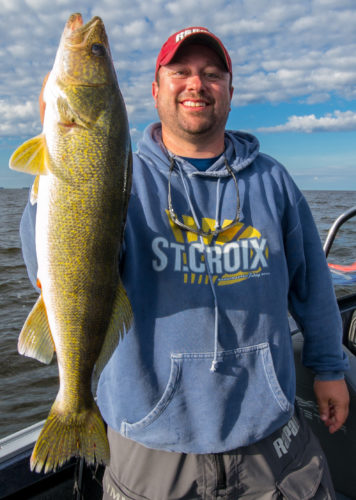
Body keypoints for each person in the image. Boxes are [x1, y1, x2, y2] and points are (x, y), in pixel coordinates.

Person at [20, 27, 350, 499]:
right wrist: (55, 158)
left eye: (212, 74)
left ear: (230, 93)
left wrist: (329, 368)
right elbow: (49, 270)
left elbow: (312, 285)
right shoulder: (122, 180)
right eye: (181, 72)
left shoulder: (272, 179)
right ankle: (75, 410)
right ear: (156, 90)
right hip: (149, 445)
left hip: (272, 445)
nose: (197, 83)